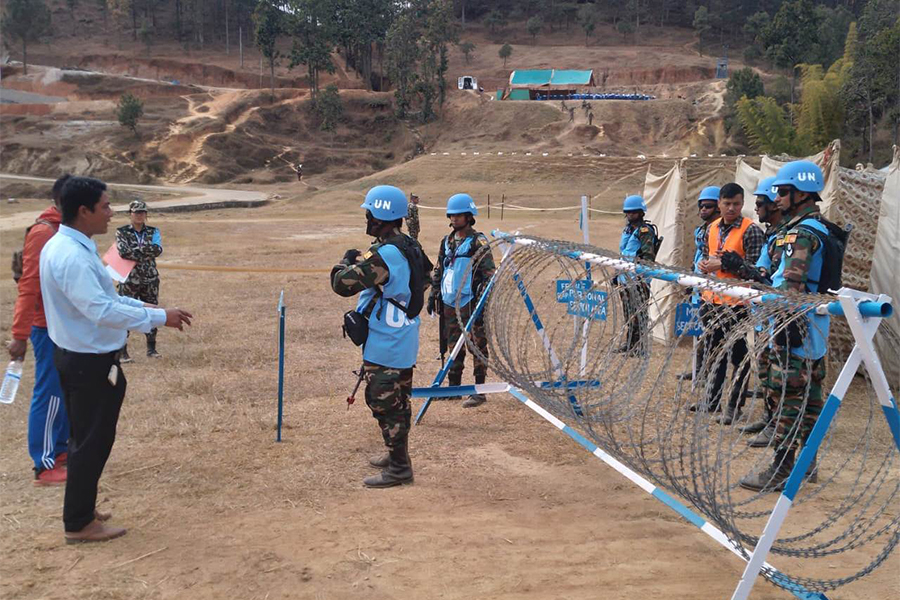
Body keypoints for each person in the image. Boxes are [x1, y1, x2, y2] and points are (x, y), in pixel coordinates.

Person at [40, 176, 192, 543]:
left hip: (84, 359)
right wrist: (158, 317)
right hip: (87, 363)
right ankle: (78, 523)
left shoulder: (71, 246)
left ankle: (81, 508)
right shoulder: (72, 255)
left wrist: (148, 307)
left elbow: (107, 298)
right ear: (84, 211)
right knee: (91, 442)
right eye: (105, 206)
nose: (111, 213)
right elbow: (101, 310)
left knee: (86, 439)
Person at [741, 161, 836, 492]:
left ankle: (782, 468)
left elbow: (791, 287)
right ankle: (808, 463)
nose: (777, 198)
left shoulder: (801, 234)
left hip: (793, 327)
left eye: (783, 192)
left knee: (787, 397)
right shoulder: (818, 227)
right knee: (810, 397)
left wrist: (761, 294)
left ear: (803, 194)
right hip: (814, 329)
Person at [332, 185, 422, 488]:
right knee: (401, 402)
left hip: (386, 344)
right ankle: (398, 455)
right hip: (403, 339)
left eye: (369, 212)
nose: (366, 216)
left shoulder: (386, 255)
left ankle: (399, 469)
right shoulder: (408, 245)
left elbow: (342, 284)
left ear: (381, 216)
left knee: (383, 401)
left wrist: (345, 262)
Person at [8, 174, 70, 486]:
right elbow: (29, 285)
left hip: (64, 325)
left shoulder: (64, 230)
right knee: (48, 393)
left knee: (64, 391)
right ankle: (43, 464)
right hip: (46, 327)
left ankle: (60, 452)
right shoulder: (43, 232)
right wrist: (19, 335)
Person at [720, 177, 788, 445]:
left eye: (760, 202)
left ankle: (780, 426)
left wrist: (739, 266)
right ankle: (769, 418)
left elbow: (770, 278)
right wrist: (743, 269)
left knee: (782, 373)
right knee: (766, 370)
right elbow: (759, 272)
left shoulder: (785, 236)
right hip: (763, 314)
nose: (756, 207)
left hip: (779, 314)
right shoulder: (772, 233)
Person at [696, 183, 765, 423]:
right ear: (720, 204)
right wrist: (705, 265)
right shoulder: (712, 227)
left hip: (738, 304)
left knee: (739, 355)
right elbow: (707, 255)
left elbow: (759, 272)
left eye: (736, 203)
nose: (732, 208)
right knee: (714, 352)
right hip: (712, 299)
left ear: (742, 203)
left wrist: (723, 265)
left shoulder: (751, 230)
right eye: (727, 204)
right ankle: (711, 401)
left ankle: (734, 406)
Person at [427, 194, 496, 408]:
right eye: (452, 215)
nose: (455, 218)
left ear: (469, 216)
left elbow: (489, 274)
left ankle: (479, 391)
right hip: (450, 302)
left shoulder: (478, 241)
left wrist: (481, 299)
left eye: (459, 215)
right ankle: (454, 388)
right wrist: (433, 293)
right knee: (452, 345)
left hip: (470, 302)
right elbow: (439, 269)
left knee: (477, 345)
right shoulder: (446, 242)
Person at [677, 186, 721, 381]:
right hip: (698, 282)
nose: (703, 210)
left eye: (708, 206)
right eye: (701, 206)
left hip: (711, 286)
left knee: (710, 332)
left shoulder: (720, 230)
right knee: (700, 330)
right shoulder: (702, 229)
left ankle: (706, 371)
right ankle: (698, 368)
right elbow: (697, 256)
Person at [116, 200, 163, 361]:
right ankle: (122, 352)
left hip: (150, 278)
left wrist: (135, 250)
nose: (139, 215)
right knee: (124, 313)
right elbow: (123, 252)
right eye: (136, 212)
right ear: (130, 214)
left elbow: (157, 250)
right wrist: (146, 251)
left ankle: (151, 349)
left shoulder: (153, 231)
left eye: (142, 212)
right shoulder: (121, 232)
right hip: (129, 278)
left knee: (152, 312)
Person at [615, 195, 660, 355]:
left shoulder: (645, 231)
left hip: (638, 278)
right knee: (628, 313)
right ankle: (629, 344)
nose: (630, 215)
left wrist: (641, 278)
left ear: (641, 213)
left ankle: (638, 347)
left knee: (638, 313)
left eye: (634, 212)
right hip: (625, 276)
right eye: (628, 212)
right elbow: (623, 252)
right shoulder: (627, 230)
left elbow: (648, 256)